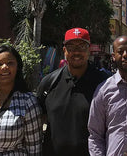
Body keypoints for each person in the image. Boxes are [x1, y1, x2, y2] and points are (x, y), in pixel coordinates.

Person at [37, 28, 108, 156]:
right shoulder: (49, 83)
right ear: (64, 50)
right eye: (71, 47)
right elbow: (38, 120)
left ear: (89, 49)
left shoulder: (104, 84)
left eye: (82, 46)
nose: (77, 52)